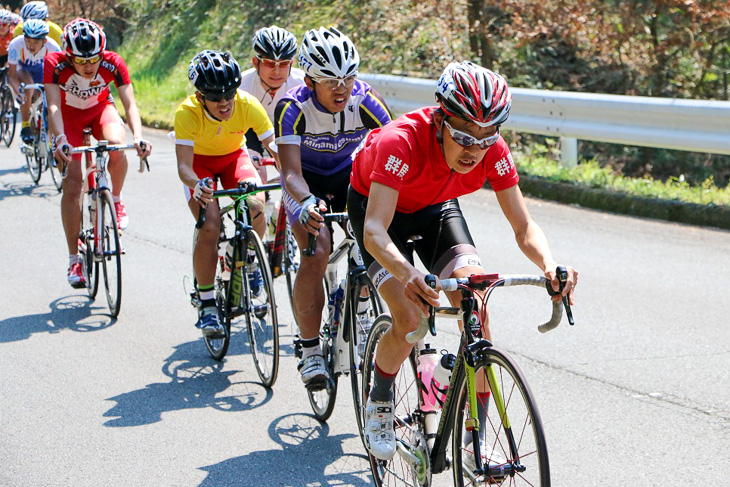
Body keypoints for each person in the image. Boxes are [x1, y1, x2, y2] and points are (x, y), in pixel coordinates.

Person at [347, 61, 578, 463]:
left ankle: (475, 441)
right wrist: (409, 274)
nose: (475, 149)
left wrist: (549, 265)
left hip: (436, 207)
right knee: (411, 317)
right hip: (379, 210)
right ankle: (379, 402)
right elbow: (374, 233)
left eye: (487, 137)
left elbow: (523, 227)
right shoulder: (399, 142)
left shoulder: (492, 151)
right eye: (463, 135)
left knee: (476, 304)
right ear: (440, 118)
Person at [275, 26, 392, 388]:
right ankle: (310, 352)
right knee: (318, 251)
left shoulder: (365, 100)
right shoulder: (291, 107)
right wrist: (308, 202)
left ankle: (357, 304)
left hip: (349, 179)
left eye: (348, 78)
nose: (341, 88)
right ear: (310, 81)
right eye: (330, 81)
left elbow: (396, 146)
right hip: (305, 183)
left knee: (368, 245)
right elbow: (290, 173)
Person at [175, 49, 278, 338]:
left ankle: (250, 260)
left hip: (234, 157)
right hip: (199, 165)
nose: (224, 103)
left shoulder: (248, 104)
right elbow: (184, 167)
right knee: (210, 224)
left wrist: (294, 178)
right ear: (200, 96)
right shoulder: (187, 112)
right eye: (215, 97)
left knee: (257, 204)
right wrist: (197, 185)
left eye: (229, 94)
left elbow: (276, 149)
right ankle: (207, 304)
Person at [48, 18, 151, 288]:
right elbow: (53, 107)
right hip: (67, 119)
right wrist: (59, 139)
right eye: (80, 61)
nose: (88, 66)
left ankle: (115, 199)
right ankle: (74, 259)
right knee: (71, 184)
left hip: (99, 110)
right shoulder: (54, 64)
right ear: (68, 55)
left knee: (117, 145)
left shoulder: (113, 62)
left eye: (93, 59)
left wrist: (139, 137)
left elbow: (129, 105)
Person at [240, 25, 304, 166]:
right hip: (251, 130)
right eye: (269, 64)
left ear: (291, 64)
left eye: (283, 64)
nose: (276, 72)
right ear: (256, 63)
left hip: (288, 128)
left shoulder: (302, 84)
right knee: (253, 174)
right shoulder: (241, 86)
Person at [7, 19, 60, 143]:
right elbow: (12, 76)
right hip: (22, 68)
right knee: (29, 87)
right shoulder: (15, 44)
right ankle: (25, 125)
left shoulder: (53, 47)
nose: (31, 46)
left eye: (36, 42)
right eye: (28, 41)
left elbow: (59, 75)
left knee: (46, 95)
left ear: (44, 41)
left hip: (40, 69)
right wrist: (18, 92)